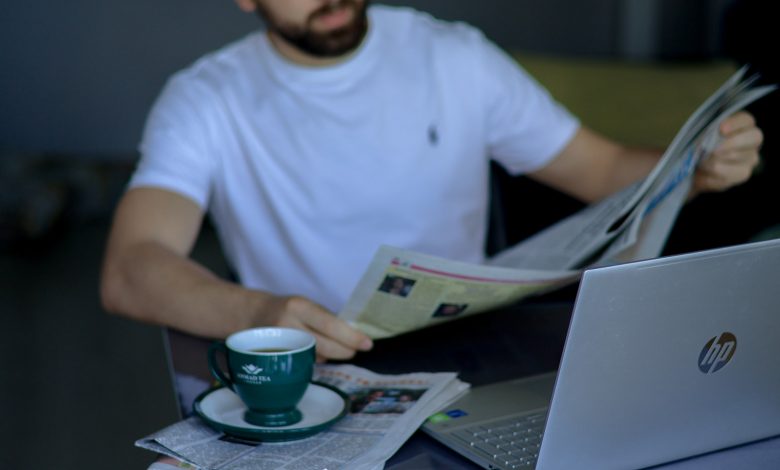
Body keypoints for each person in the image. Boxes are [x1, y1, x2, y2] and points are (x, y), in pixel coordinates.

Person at [100, 0, 764, 367]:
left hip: (467, 353)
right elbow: (133, 267)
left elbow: (600, 170)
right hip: (312, 364)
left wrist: (696, 169)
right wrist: (255, 314)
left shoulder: (453, 54)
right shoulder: (204, 98)